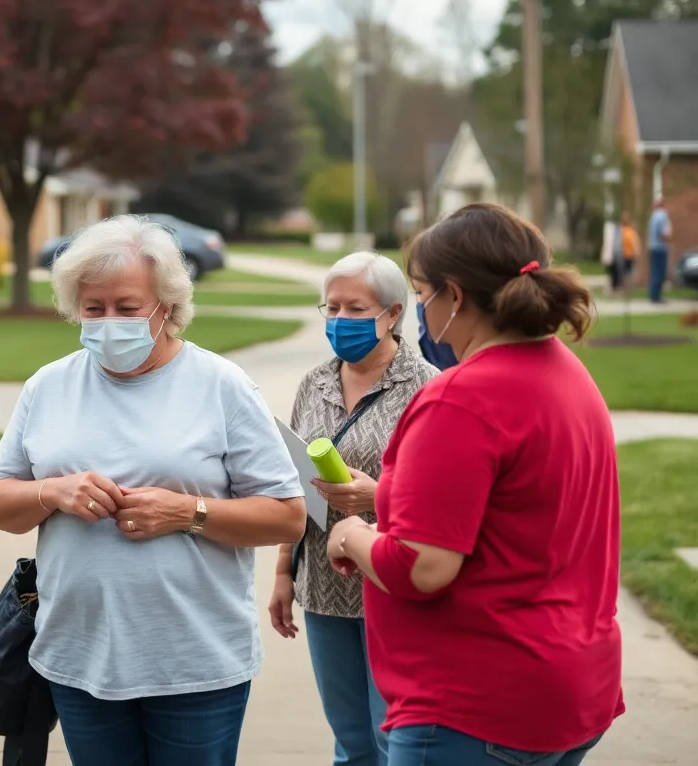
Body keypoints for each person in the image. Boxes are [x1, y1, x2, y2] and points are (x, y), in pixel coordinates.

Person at [0, 214, 307, 766]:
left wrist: (187, 513)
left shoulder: (221, 386)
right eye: (93, 308)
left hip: (194, 665)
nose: (109, 322)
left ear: (167, 307)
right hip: (79, 657)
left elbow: (287, 516)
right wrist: (52, 492)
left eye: (127, 308)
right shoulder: (49, 387)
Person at [325, 203, 624, 766]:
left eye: (420, 293)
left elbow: (421, 567)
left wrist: (349, 536)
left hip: (476, 708)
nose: (419, 308)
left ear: (453, 296)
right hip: (571, 687)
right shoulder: (566, 371)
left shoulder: (460, 399)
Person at [268, 252, 438, 766]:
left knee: (392, 738)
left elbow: (439, 493)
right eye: (333, 308)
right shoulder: (315, 383)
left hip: (391, 584)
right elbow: (295, 481)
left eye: (356, 309)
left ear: (392, 313)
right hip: (322, 583)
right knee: (350, 741)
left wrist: (377, 495)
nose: (341, 321)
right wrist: (283, 571)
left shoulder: (427, 386)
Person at [647, 195, 672, 302]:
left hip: (652, 247)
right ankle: (656, 296)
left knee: (654, 271)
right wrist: (669, 239)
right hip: (660, 248)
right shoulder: (662, 216)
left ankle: (654, 294)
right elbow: (663, 233)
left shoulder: (653, 216)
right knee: (659, 272)